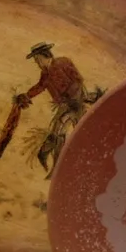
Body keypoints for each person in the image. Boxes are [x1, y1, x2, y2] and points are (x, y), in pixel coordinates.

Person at [15, 42, 102, 178]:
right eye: (36, 60)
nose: (37, 63)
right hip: (65, 105)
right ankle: (55, 165)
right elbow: (40, 86)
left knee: (81, 131)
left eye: (37, 59)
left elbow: (78, 79)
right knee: (57, 134)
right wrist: (27, 95)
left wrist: (74, 98)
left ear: (44, 56)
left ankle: (85, 164)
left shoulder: (63, 63)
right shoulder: (45, 73)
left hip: (76, 103)